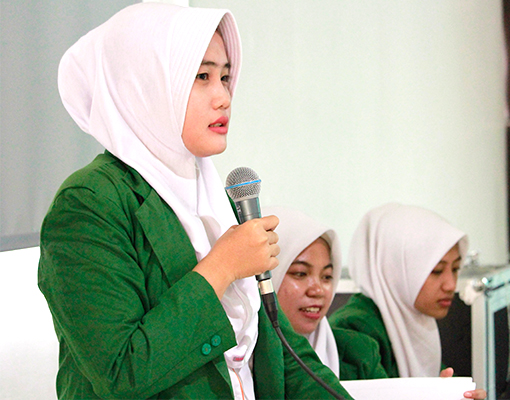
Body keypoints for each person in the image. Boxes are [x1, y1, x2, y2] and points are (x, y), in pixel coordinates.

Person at [38, 3, 350, 399]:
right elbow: (121, 373)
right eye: (201, 76)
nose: (223, 97)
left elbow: (287, 361)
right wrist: (221, 268)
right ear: (145, 83)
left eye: (226, 76)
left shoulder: (216, 204)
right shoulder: (89, 202)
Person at [329, 203, 487, 399]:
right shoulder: (352, 330)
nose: (450, 285)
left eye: (455, 269)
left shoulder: (415, 319)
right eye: (436, 271)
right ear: (394, 269)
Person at [264, 205, 387, 380]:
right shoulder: (240, 361)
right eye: (300, 274)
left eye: (327, 276)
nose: (318, 290)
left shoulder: (358, 353)